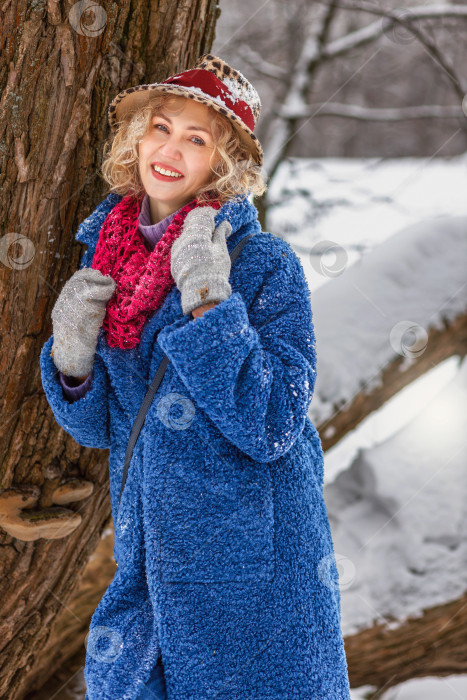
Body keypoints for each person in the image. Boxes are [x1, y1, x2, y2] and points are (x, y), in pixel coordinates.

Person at [40, 54, 351, 700]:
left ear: (223, 162)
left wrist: (210, 306)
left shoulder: (263, 264)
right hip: (150, 562)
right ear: (136, 140)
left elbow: (272, 421)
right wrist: (71, 360)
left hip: (253, 580)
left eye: (197, 138)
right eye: (160, 127)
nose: (171, 149)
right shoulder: (110, 257)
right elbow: (104, 427)